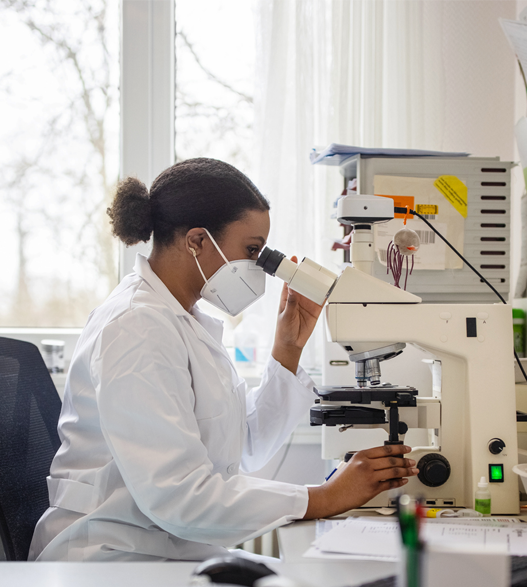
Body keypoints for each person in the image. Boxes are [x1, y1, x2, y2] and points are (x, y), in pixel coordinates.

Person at [29, 158, 418, 561]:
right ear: (197, 240)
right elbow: (181, 498)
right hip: (111, 557)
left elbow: (244, 445)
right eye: (252, 250)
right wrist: (323, 498)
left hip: (164, 544)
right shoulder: (136, 327)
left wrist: (288, 349)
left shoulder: (182, 322)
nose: (258, 266)